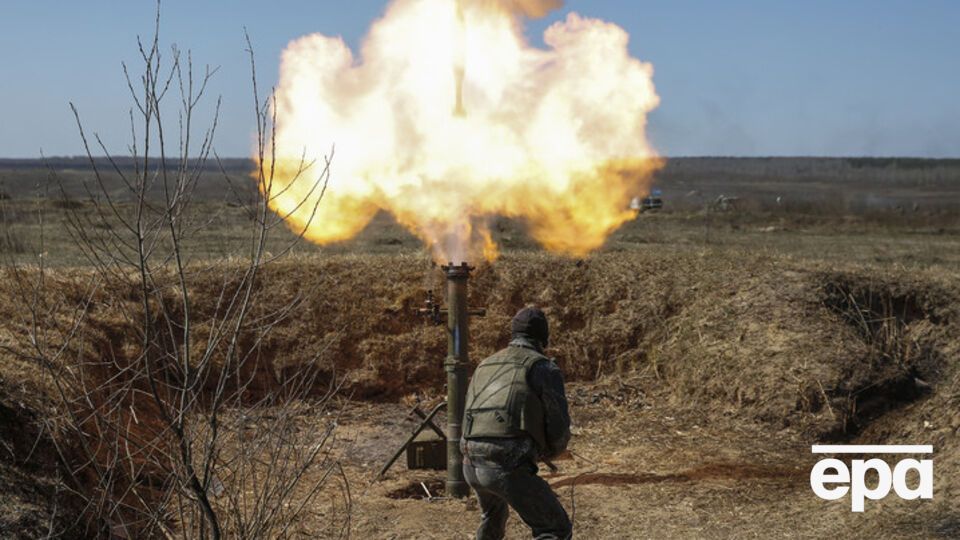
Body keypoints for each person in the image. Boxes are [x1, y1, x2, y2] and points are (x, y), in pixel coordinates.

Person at [461, 306, 572, 540]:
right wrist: (550, 452)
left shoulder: (485, 364)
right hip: (506, 464)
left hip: (471, 463)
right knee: (554, 528)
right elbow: (558, 428)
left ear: (513, 334)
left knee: (492, 519)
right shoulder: (542, 367)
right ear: (543, 338)